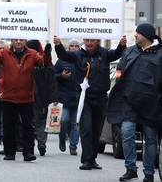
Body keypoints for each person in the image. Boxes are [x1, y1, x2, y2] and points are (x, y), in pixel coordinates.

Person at [53, 35, 127, 170]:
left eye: (92, 40)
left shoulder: (104, 53)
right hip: (84, 98)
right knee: (86, 129)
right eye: (86, 40)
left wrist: (122, 45)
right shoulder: (78, 55)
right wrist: (58, 45)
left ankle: (92, 159)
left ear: (97, 41)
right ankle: (86, 160)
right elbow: (63, 55)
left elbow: (117, 54)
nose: (89, 43)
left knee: (96, 130)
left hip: (101, 98)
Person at [107, 24, 162, 182]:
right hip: (129, 103)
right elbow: (119, 72)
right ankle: (130, 168)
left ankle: (149, 173)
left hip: (152, 105)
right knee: (127, 132)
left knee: (150, 139)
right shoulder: (130, 51)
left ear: (147, 35)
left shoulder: (160, 54)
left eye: (138, 33)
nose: (135, 35)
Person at [0, 38, 43, 162]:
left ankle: (28, 152)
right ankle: (9, 152)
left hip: (26, 97)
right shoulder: (5, 52)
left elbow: (43, 62)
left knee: (28, 126)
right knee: (9, 126)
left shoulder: (32, 53)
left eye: (21, 40)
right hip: (9, 96)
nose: (18, 42)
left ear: (25, 41)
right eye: (16, 40)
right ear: (12, 40)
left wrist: (47, 53)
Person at [54, 39, 81, 156]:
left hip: (78, 97)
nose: (74, 48)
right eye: (72, 46)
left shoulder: (83, 60)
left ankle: (73, 146)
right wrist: (61, 76)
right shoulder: (61, 61)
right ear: (68, 48)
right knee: (64, 120)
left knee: (75, 124)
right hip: (64, 97)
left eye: (76, 46)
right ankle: (62, 138)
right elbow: (53, 76)